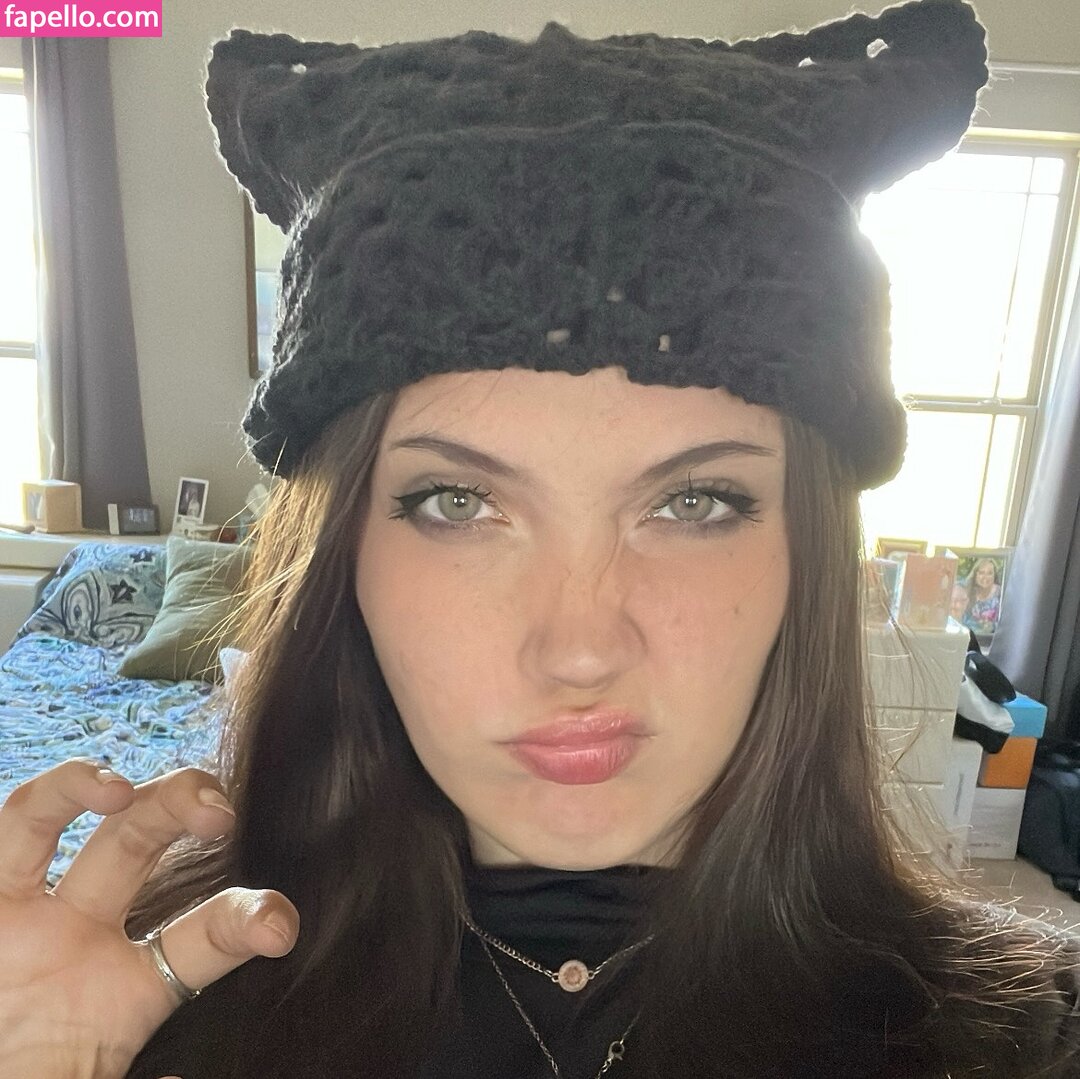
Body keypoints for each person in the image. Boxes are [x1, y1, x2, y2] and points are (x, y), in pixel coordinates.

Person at [3, 3, 1080, 1077]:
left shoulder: (1024, 1037)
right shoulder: (142, 1004)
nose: (579, 650)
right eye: (456, 503)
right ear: (345, 558)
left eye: (694, 502)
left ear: (807, 551)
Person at [964, 557, 1003, 636]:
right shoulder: (968, 591)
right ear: (975, 575)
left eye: (989, 573)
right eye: (981, 573)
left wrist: (992, 626)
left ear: (994, 576)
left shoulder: (1001, 593)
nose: (985, 577)